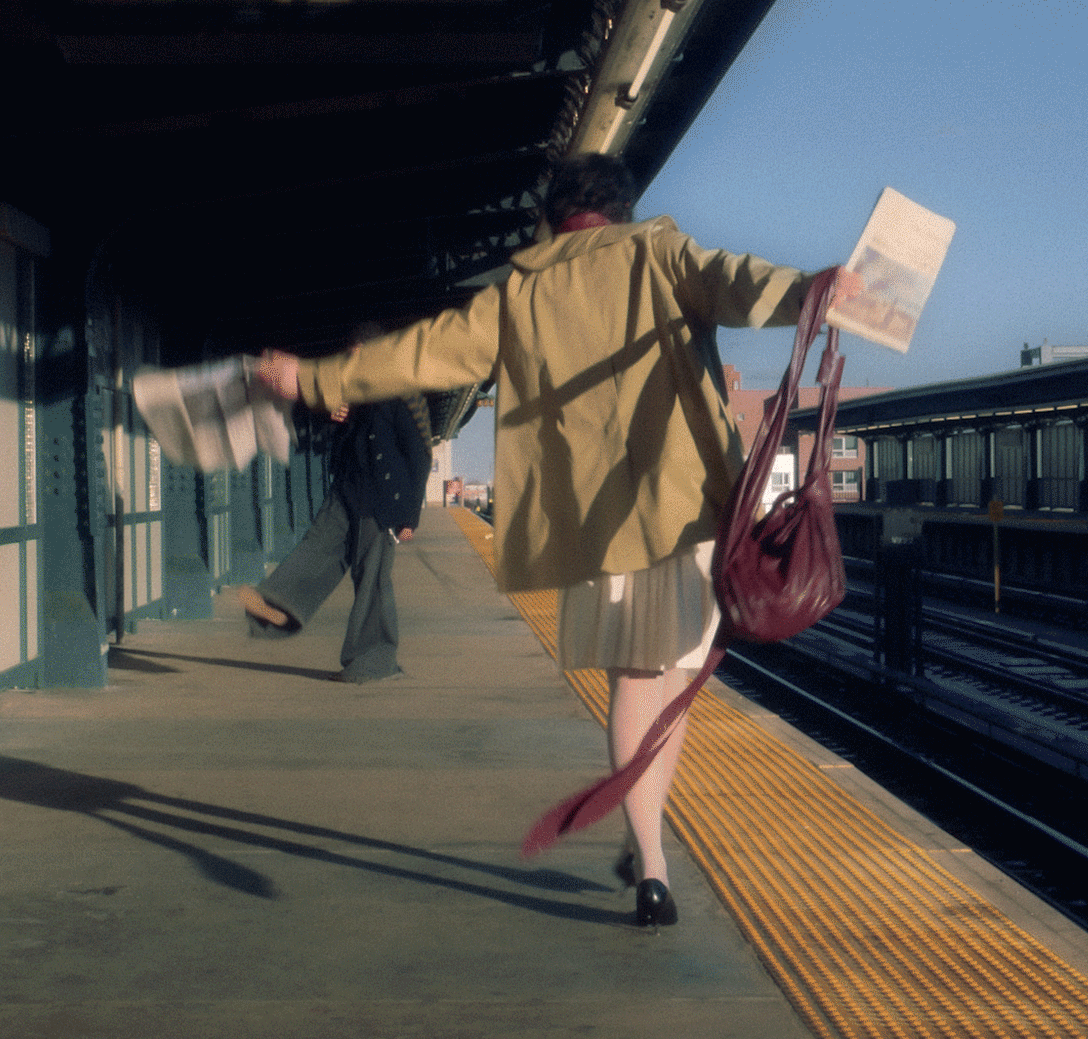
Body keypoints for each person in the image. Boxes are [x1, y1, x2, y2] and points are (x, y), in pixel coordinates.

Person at [256, 153, 860, 927]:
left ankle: (650, 856)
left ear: (554, 217)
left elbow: (419, 352)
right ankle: (648, 845)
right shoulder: (660, 253)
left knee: (633, 684)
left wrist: (313, 380)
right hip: (684, 513)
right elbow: (739, 282)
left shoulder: (518, 293)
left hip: (591, 523)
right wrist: (814, 287)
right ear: (622, 207)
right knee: (670, 685)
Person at [237, 338, 435, 684]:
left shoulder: (400, 394)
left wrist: (410, 516)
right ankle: (276, 608)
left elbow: (419, 456)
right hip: (345, 491)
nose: (353, 364)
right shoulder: (345, 395)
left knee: (371, 579)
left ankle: (372, 663)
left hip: (382, 502)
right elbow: (324, 438)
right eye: (350, 357)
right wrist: (334, 418)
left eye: (361, 357)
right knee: (315, 549)